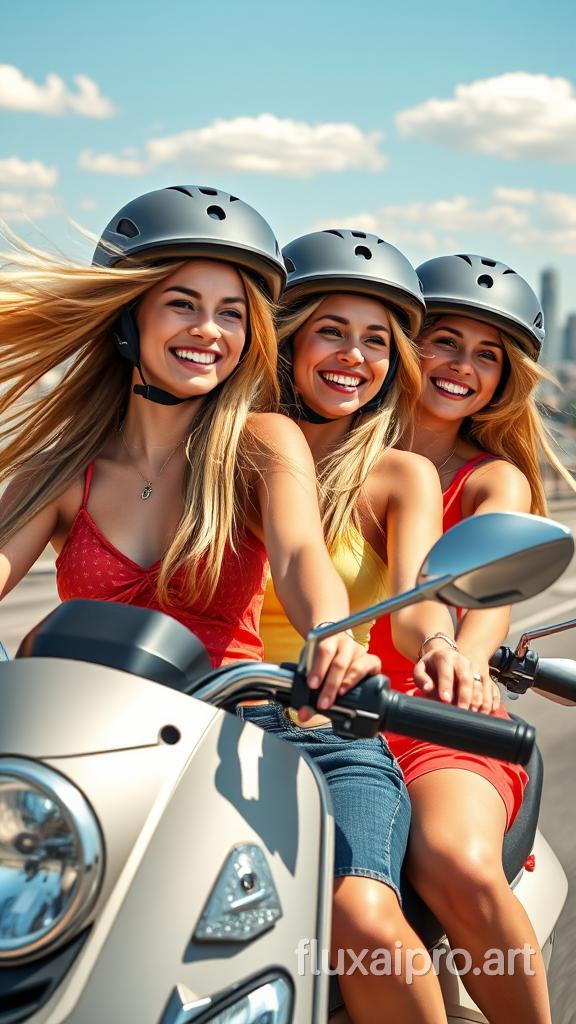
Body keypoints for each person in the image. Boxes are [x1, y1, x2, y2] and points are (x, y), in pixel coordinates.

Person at [0, 185, 379, 697]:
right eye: (183, 304)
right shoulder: (57, 474)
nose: (208, 330)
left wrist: (330, 635)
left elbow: (298, 557)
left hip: (223, 725)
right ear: (128, 318)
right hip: (81, 730)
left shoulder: (260, 443)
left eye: (230, 313)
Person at [255, 229, 478, 1023]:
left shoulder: (398, 472)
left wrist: (443, 642)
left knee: (363, 920)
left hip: (334, 723)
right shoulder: (226, 444)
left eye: (377, 341)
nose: (355, 356)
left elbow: (415, 601)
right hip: (208, 720)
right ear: (287, 338)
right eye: (332, 331)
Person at [369, 253, 576, 1023]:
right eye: (444, 341)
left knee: (453, 860)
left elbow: (482, 608)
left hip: (438, 708)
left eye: (487, 354)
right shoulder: (324, 454)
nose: (463, 367)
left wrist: (460, 651)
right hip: (320, 704)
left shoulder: (495, 481)